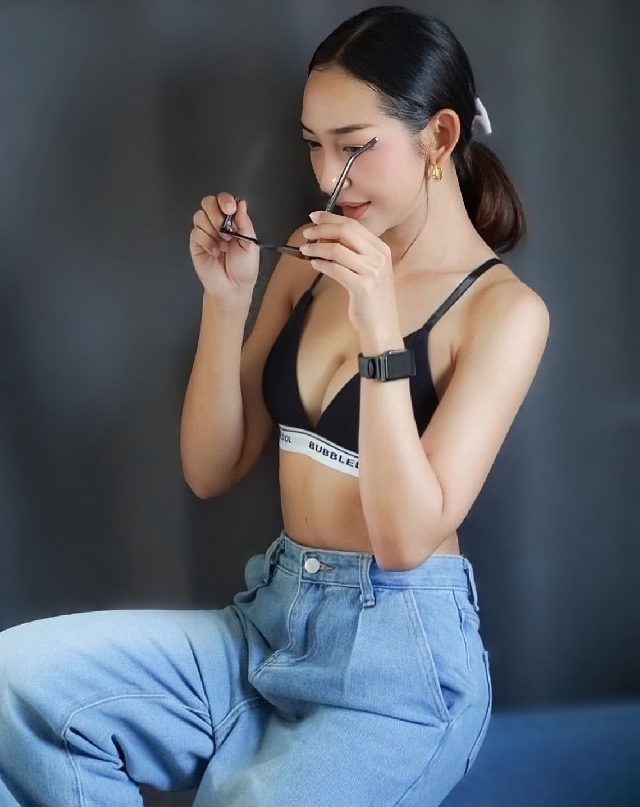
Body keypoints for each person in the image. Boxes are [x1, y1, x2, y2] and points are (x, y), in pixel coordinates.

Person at [0, 5, 549, 806]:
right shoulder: (307, 262)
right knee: (16, 682)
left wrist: (379, 327)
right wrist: (225, 302)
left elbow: (404, 540)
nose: (328, 176)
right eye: (313, 144)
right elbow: (211, 469)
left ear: (437, 137)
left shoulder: (503, 313)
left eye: (353, 146)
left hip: (395, 669)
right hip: (270, 623)